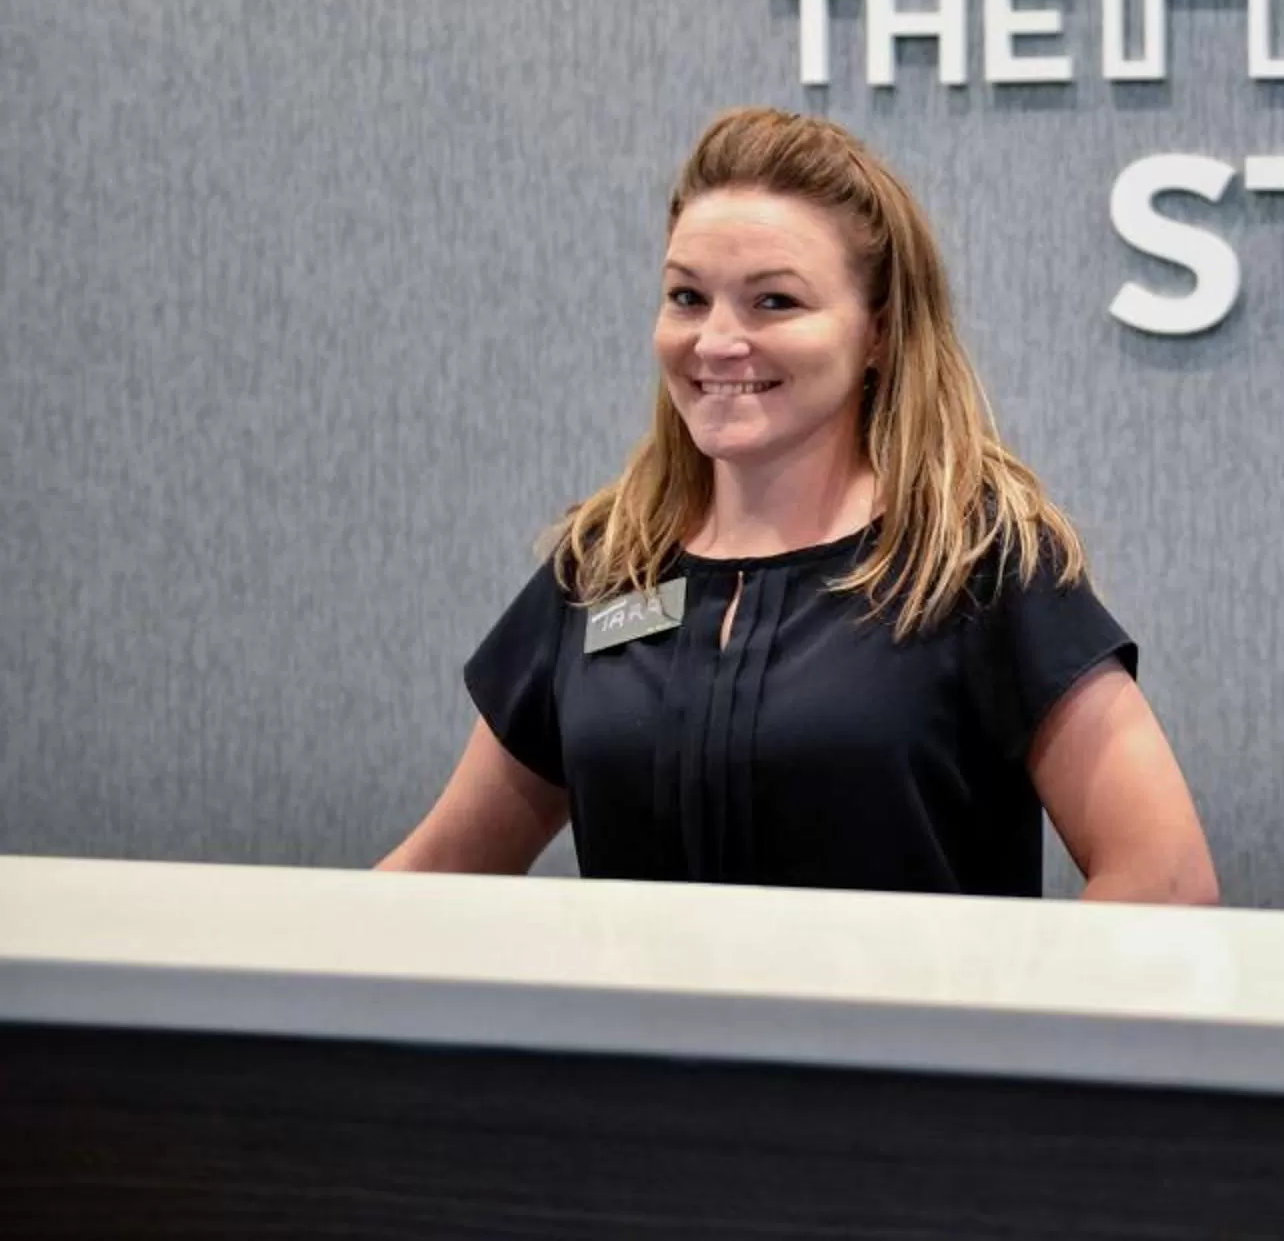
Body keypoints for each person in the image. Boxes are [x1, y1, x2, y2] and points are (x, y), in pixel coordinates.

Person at [381, 107, 1217, 903]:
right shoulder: (604, 569)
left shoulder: (967, 564)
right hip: (639, 1060)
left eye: (775, 301)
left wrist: (985, 1042)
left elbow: (1164, 880)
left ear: (878, 333)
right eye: (687, 297)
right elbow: (447, 866)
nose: (715, 340)